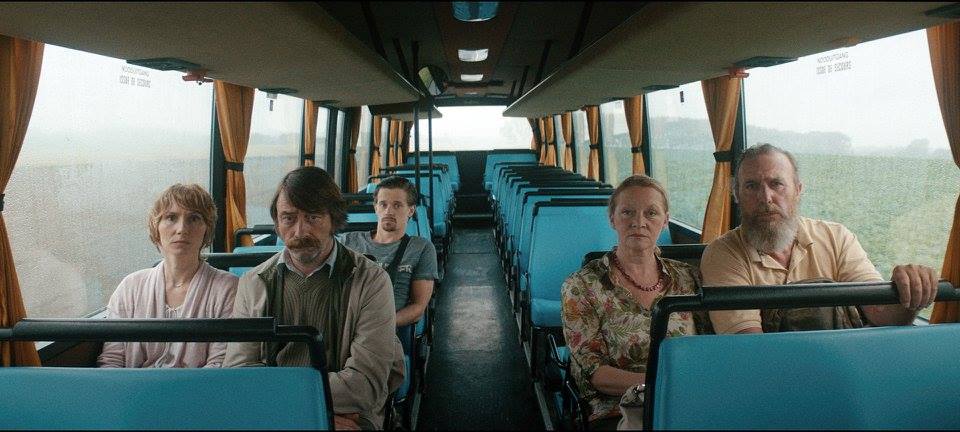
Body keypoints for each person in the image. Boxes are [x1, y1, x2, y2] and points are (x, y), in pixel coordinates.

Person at [223, 166, 404, 431]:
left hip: (350, 415)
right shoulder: (254, 283)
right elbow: (240, 375)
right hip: (275, 415)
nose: (300, 231)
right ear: (277, 223)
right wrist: (308, 415)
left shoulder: (371, 281)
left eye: (313, 217)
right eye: (288, 218)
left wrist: (281, 400)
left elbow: (364, 386)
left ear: (333, 219)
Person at [702, 143, 939, 334]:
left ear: (798, 190)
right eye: (751, 186)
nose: (765, 198)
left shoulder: (837, 238)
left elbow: (881, 313)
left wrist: (911, 292)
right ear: (737, 195)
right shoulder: (723, 254)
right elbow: (749, 346)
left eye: (777, 184)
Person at [561, 175, 705, 430]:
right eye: (627, 212)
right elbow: (596, 373)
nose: (639, 222)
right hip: (618, 407)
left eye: (651, 213)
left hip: (689, 400)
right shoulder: (581, 286)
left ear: (665, 221)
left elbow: (707, 345)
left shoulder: (688, 278)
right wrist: (662, 384)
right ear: (612, 218)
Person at [97, 183, 237, 368]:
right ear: (156, 228)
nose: (181, 229)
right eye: (171, 217)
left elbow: (219, 364)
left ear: (207, 230)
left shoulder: (228, 288)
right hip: (133, 385)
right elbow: (112, 360)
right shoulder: (129, 287)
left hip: (199, 386)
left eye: (194, 218)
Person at [340, 176, 438, 328]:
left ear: (411, 210)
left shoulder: (421, 248)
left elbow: (418, 307)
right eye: (383, 204)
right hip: (344, 324)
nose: (389, 211)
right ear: (376, 208)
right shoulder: (347, 242)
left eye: (397, 205)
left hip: (388, 329)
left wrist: (378, 327)